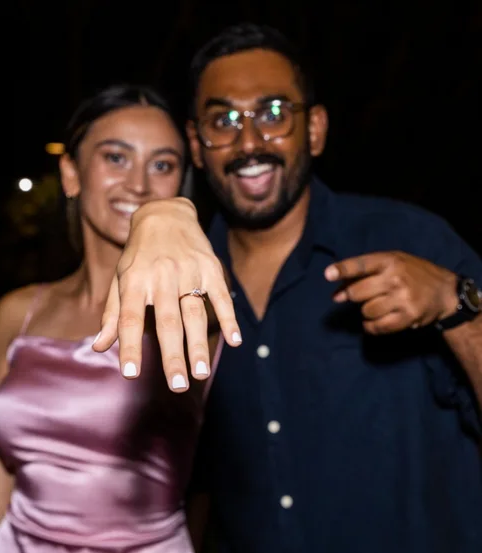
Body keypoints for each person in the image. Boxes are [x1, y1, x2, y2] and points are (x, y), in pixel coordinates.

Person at [94, 23, 482, 553]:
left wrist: (458, 308)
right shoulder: (184, 283)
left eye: (273, 113)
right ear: (197, 145)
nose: (249, 142)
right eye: (223, 121)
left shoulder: (411, 239)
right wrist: (156, 213)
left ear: (315, 129)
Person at [0, 85, 223, 552]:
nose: (139, 184)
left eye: (162, 165)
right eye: (116, 158)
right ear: (72, 173)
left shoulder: (196, 310)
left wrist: (176, 218)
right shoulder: (18, 312)